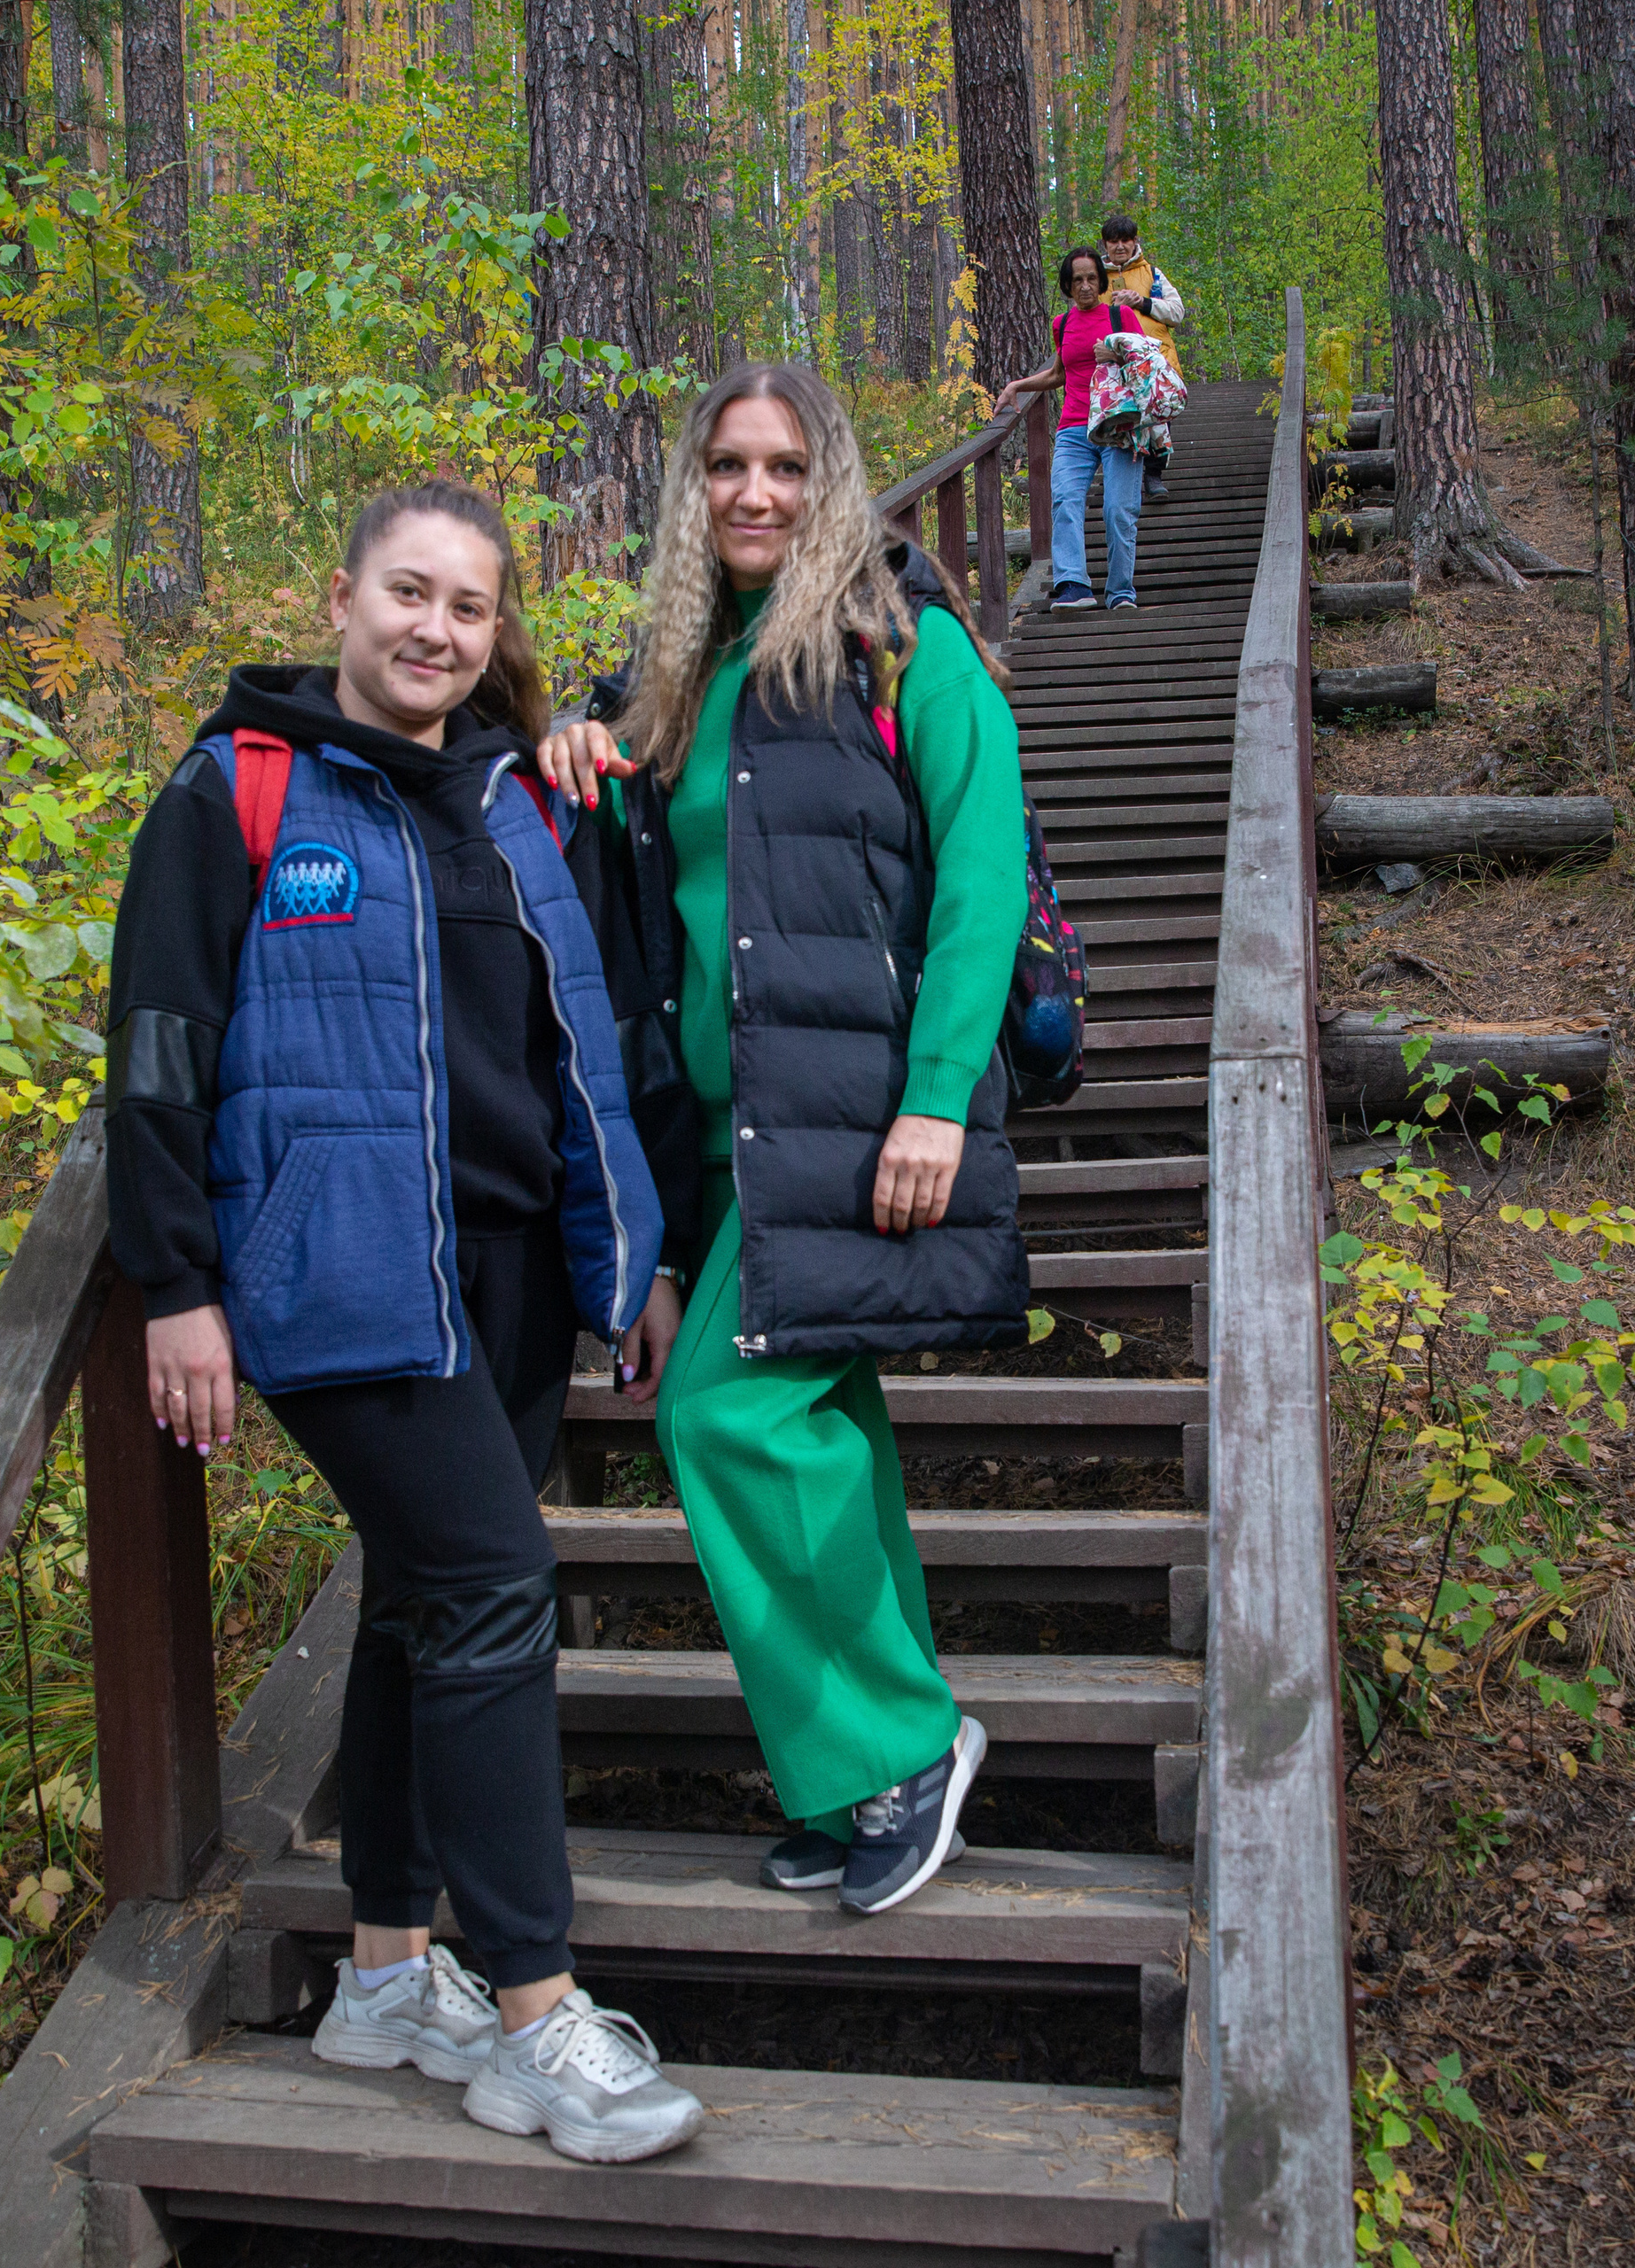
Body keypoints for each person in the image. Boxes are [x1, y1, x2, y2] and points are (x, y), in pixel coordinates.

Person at [105, 479, 707, 2165]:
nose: (436, 628)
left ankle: (382, 1973)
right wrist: (178, 1285)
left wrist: (631, 1256)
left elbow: (577, 1041)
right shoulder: (242, 790)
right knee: (498, 1587)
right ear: (347, 596)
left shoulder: (514, 802)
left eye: (468, 606)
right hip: (345, 1275)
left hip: (510, 1274)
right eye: (409, 594)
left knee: (423, 1603)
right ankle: (530, 2010)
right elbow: (157, 1046)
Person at [536, 364, 1030, 1917]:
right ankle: (847, 1764)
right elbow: (644, 888)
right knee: (828, 1421)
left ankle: (897, 1746)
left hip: (856, 1118)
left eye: (788, 466)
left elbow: (986, 876)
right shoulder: (680, 676)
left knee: (726, 1418)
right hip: (729, 1138)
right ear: (697, 489)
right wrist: (570, 744)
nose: (757, 493)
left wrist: (938, 1095)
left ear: (836, 481)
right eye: (729, 466)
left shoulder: (904, 645)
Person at [992, 245, 1148, 612]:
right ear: (1067, 285)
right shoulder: (1063, 324)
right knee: (1064, 500)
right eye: (1077, 280)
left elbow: (1148, 362)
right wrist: (1018, 385)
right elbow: (1060, 374)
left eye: (1092, 278)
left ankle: (1121, 590)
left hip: (1118, 424)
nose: (1085, 286)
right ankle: (1073, 584)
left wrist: (1117, 354)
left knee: (1118, 509)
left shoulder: (1120, 316)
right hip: (1074, 427)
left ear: (1102, 281)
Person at [1100, 215, 1187, 504]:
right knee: (1125, 419)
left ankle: (1154, 476)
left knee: (1160, 417)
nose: (1121, 246)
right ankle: (1131, 481)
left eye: (1126, 240)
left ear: (1135, 241)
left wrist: (1142, 301)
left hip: (1156, 360)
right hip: (1117, 363)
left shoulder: (1153, 274)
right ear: (1106, 245)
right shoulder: (1096, 278)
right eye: (1114, 241)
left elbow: (1177, 313)